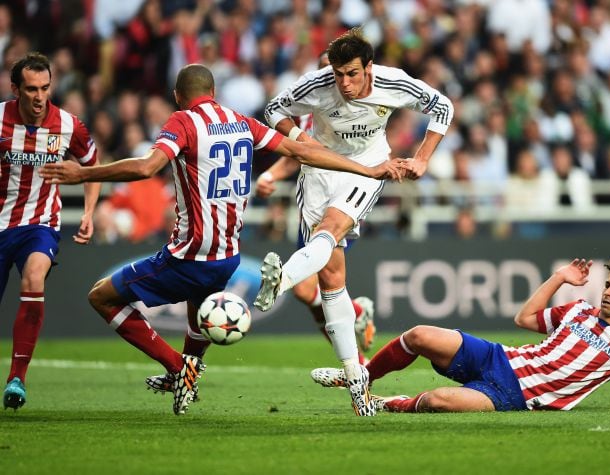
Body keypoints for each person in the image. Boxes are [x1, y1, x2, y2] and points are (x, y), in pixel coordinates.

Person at [39, 63, 404, 416]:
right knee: (196, 316)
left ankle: (179, 368)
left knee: (101, 297)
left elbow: (146, 167)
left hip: (188, 256)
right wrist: (366, 169)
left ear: (178, 96)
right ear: (213, 93)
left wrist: (82, 174)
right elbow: (301, 150)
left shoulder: (182, 121)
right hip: (227, 257)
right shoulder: (240, 121)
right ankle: (187, 371)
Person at [253, 27, 454, 416]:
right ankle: (357, 379)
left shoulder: (394, 82)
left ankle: (283, 279)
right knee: (331, 279)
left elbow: (442, 106)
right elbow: (273, 109)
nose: (344, 83)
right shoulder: (316, 85)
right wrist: (299, 140)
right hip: (319, 169)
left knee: (330, 228)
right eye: (338, 74)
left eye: (352, 74)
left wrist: (423, 157)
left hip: (368, 168)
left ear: (369, 68)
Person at [310, 258, 610, 413]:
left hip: (515, 396)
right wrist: (559, 278)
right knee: (419, 334)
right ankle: (363, 380)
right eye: (607, 284)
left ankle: (383, 405)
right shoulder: (579, 310)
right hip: (498, 358)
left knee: (435, 402)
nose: (606, 292)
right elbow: (525, 319)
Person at [255, 51, 376, 364]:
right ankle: (357, 321)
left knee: (310, 286)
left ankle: (357, 365)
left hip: (342, 201)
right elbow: (301, 152)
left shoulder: (355, 110)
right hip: (312, 201)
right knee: (314, 294)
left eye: (337, 72)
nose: (333, 79)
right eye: (327, 72)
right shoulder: (312, 109)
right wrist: (271, 174)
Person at [0, 52, 100, 411]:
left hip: (39, 223)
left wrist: (89, 211)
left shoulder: (69, 126)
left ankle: (17, 378)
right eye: (31, 89)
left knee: (34, 277)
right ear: (15, 90)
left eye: (45, 88)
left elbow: (92, 165)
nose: (39, 97)